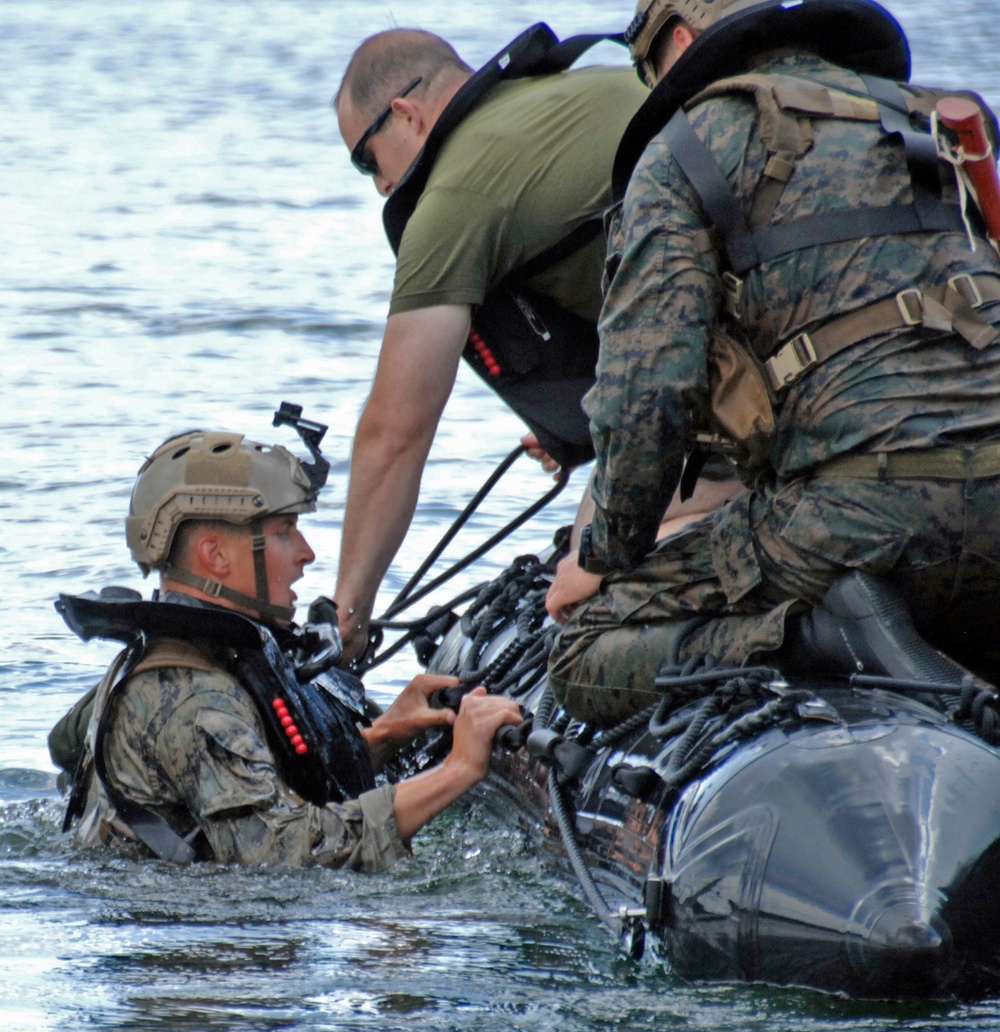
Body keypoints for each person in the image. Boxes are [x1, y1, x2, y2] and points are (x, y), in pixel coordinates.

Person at [547, 0, 1000, 726]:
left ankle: (821, 639)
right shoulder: (938, 123)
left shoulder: (687, 150)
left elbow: (648, 399)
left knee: (585, 651)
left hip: (864, 518)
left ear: (681, 43)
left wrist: (600, 556)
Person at [58, 426, 521, 870]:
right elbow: (286, 854)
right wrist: (458, 770)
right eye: (283, 532)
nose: (306, 553)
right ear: (215, 556)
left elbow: (261, 788)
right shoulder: (195, 696)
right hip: (199, 941)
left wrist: (383, 735)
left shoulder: (200, 655)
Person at [332, 26, 649, 664]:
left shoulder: (452, 198)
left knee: (574, 614)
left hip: (748, 395)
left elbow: (394, 434)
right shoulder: (588, 88)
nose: (379, 187)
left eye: (367, 160)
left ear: (405, 114)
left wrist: (349, 616)